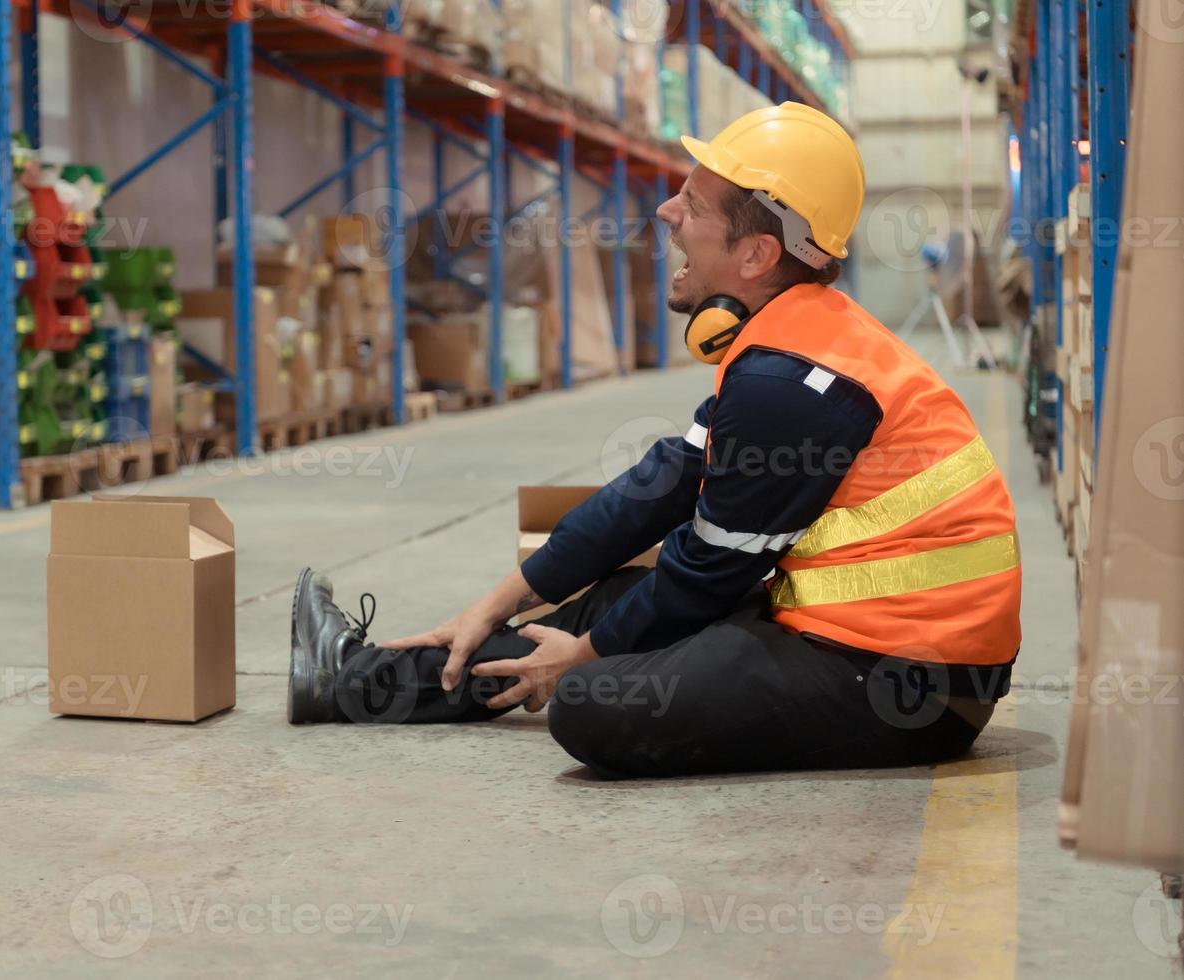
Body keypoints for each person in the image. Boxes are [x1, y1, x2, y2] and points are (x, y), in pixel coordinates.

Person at [286, 102, 1023, 779]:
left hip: (908, 681)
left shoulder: (791, 383)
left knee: (589, 700)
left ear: (756, 255)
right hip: (840, 632)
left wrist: (580, 660)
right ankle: (350, 679)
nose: (667, 211)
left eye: (693, 204)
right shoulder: (788, 337)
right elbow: (660, 485)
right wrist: (498, 600)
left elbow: (709, 568)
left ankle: (380, 677)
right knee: (612, 599)